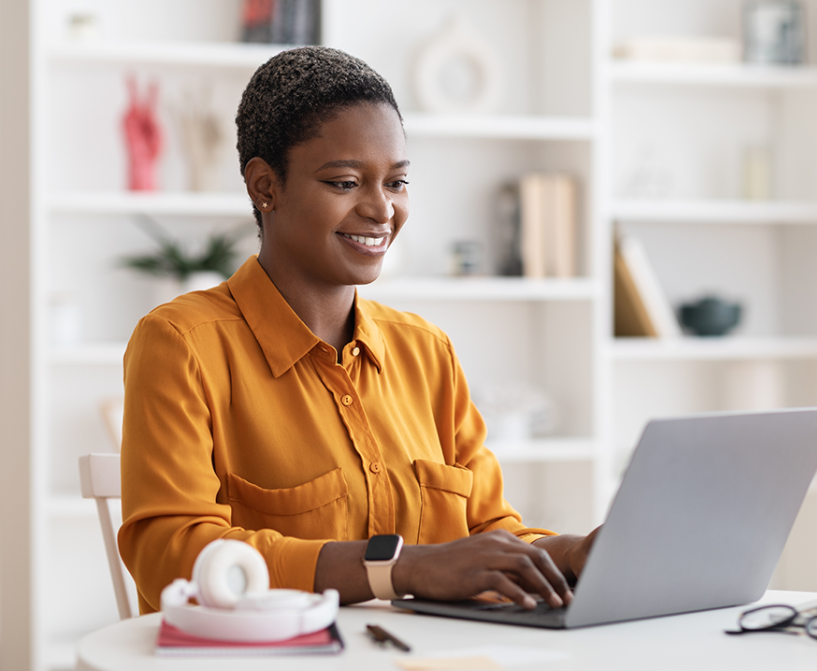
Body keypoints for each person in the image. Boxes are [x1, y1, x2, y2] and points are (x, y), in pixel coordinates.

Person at [118, 46, 596, 615]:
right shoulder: (182, 343)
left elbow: (487, 534)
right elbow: (169, 550)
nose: (382, 209)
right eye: (346, 182)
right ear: (264, 187)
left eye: (396, 183)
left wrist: (571, 552)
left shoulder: (427, 351)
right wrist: (400, 569)